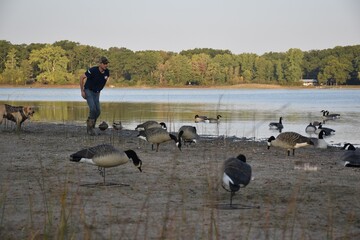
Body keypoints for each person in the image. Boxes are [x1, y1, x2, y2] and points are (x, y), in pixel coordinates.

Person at [80, 56, 110, 135]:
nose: (106, 65)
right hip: (88, 90)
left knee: (98, 111)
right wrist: (82, 91)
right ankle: (90, 128)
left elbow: (101, 84)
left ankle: (91, 125)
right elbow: (82, 77)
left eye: (107, 63)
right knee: (93, 109)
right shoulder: (93, 70)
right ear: (100, 64)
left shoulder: (107, 72)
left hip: (97, 92)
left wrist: (99, 93)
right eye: (104, 63)